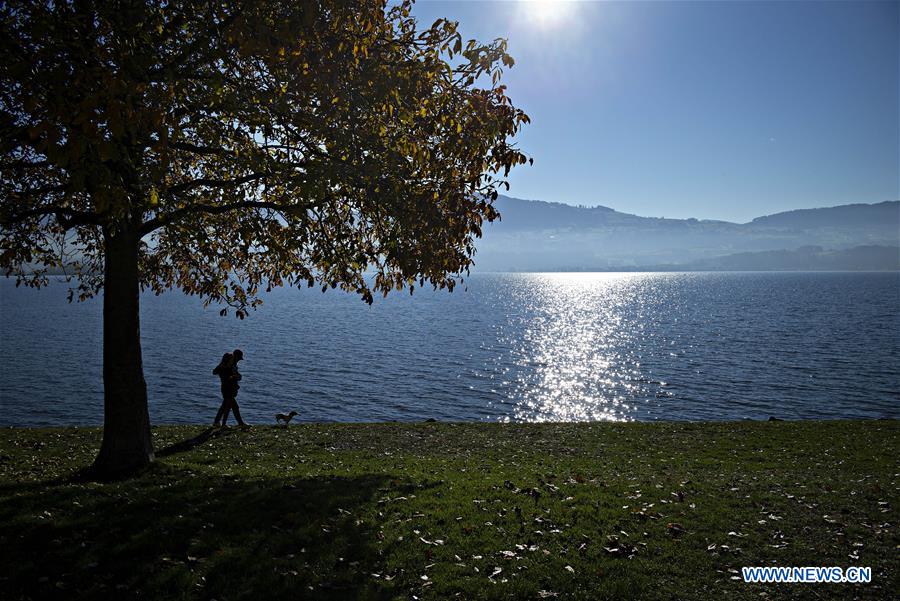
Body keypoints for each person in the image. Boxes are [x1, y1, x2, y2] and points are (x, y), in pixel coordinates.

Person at [212, 349, 249, 428]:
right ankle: (237, 423)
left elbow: (235, 376)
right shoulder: (224, 368)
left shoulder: (231, 367)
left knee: (225, 406)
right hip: (227, 389)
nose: (236, 360)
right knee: (232, 407)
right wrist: (232, 376)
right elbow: (219, 374)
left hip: (230, 389)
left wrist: (236, 377)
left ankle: (217, 422)